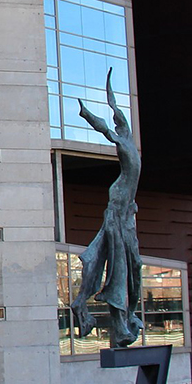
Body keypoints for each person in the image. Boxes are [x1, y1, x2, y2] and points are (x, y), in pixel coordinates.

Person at [71, 71, 144, 347]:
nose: (120, 120)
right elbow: (105, 126)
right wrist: (86, 114)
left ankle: (129, 316)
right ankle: (120, 325)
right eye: (119, 119)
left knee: (134, 265)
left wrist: (110, 88)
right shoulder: (121, 141)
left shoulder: (131, 145)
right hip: (116, 209)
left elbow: (114, 107)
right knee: (119, 266)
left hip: (126, 212)